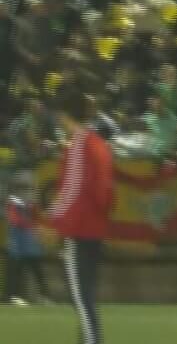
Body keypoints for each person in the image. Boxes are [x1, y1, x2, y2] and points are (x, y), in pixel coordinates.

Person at [47, 89, 115, 344]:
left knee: (81, 298)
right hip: (95, 229)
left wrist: (53, 223)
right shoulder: (100, 145)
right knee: (87, 295)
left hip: (79, 229)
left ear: (65, 115)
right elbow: (104, 193)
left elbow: (71, 189)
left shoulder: (79, 145)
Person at [5, 171, 49, 306]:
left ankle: (43, 295)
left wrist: (39, 226)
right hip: (19, 239)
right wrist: (32, 225)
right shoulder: (15, 200)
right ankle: (13, 296)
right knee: (17, 268)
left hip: (29, 239)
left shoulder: (31, 200)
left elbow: (37, 217)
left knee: (35, 267)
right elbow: (14, 219)